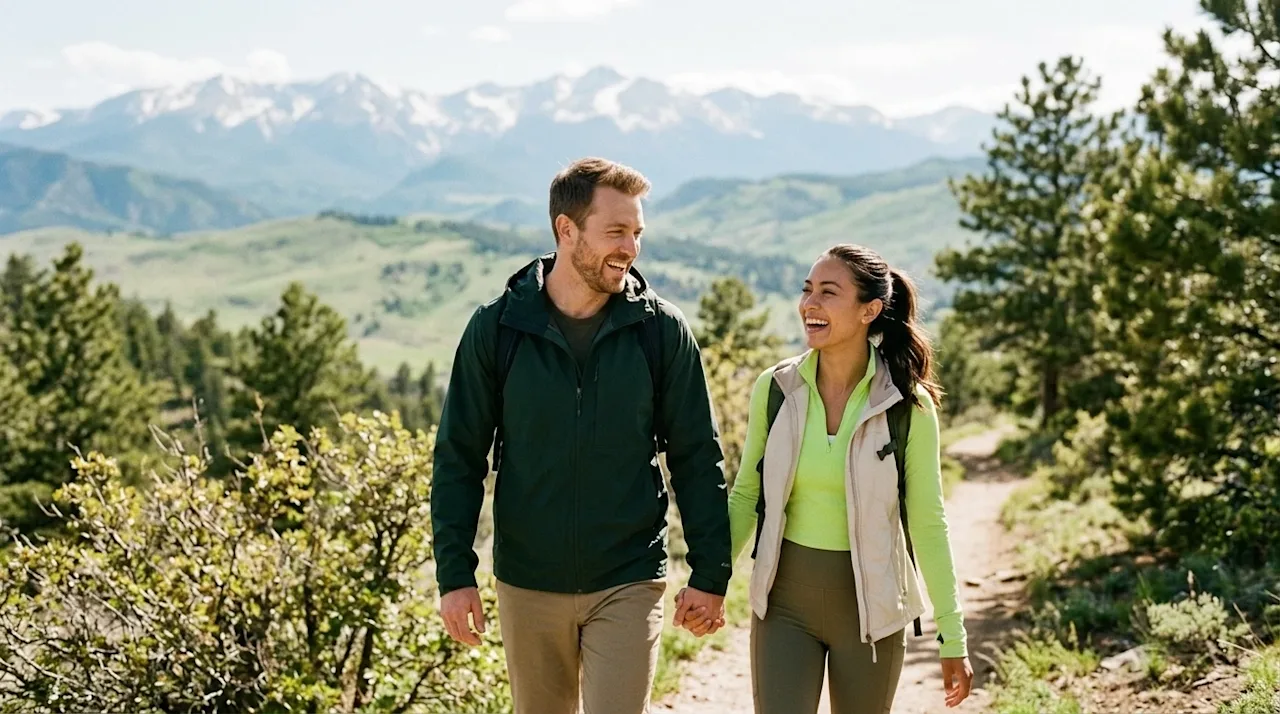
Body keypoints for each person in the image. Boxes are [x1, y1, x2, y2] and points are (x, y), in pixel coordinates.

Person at [429, 156, 733, 714]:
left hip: (629, 575)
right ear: (566, 230)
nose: (631, 247)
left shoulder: (660, 332)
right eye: (615, 231)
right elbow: (458, 459)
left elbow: (696, 457)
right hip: (527, 580)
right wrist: (455, 575)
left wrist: (711, 573)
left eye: (637, 232)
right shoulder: (497, 329)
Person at [682, 243, 974, 713]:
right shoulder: (776, 390)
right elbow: (745, 495)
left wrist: (951, 634)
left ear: (869, 310)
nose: (809, 304)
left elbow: (928, 523)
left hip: (872, 614)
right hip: (783, 608)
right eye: (807, 290)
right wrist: (709, 581)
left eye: (828, 293)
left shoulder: (907, 406)